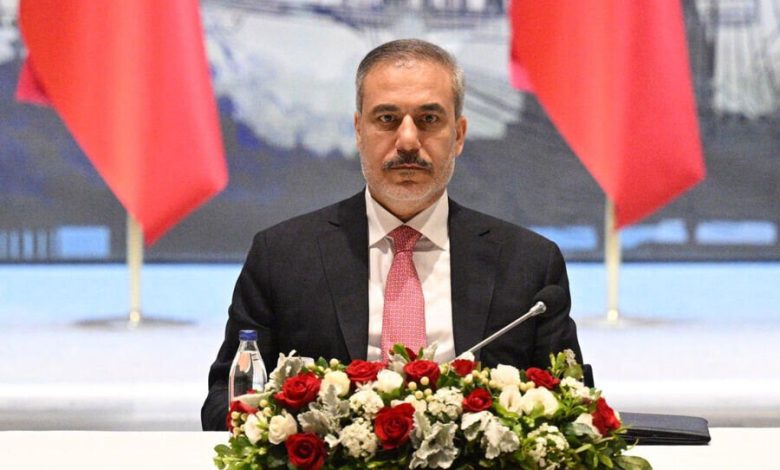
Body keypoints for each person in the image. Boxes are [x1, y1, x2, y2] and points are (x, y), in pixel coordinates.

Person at [201, 39, 581, 431]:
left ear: (459, 134)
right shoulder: (282, 257)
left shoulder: (528, 263)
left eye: (429, 119)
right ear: (358, 131)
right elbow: (224, 406)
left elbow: (574, 408)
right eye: (386, 119)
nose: (408, 141)